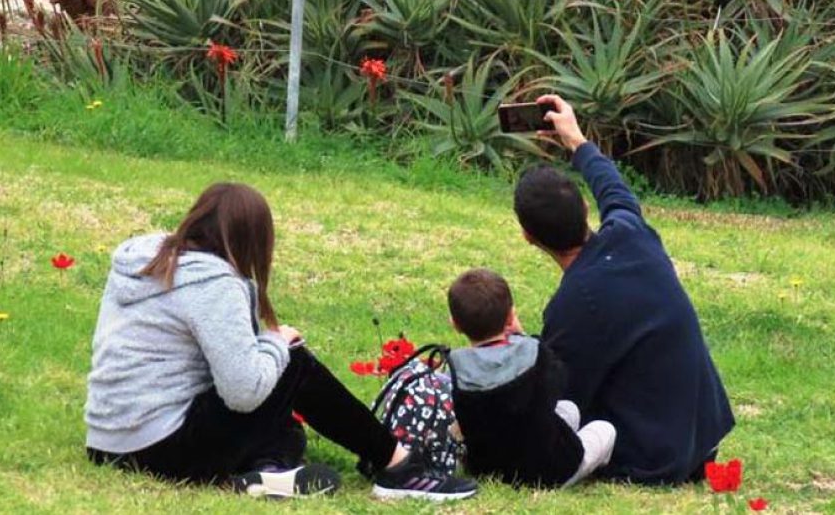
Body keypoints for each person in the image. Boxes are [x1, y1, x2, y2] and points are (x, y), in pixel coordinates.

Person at [84, 182, 477, 501]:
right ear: (252, 241)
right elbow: (242, 391)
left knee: (285, 430)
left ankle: (269, 472)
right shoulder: (212, 283)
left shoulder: (147, 261)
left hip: (107, 443)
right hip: (160, 449)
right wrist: (275, 342)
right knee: (294, 365)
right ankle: (397, 465)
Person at [512, 95, 735, 485]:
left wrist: (515, 349)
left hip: (653, 459)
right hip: (703, 440)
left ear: (528, 237)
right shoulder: (632, 235)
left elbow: (558, 396)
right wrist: (576, 140)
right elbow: (614, 188)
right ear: (585, 206)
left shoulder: (573, 305)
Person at [445, 268, 616, 488]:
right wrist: (522, 336)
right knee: (604, 429)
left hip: (488, 467)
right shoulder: (534, 354)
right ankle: (591, 472)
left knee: (569, 409)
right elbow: (559, 380)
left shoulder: (456, 368)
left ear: (455, 324)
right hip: (548, 470)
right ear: (510, 316)